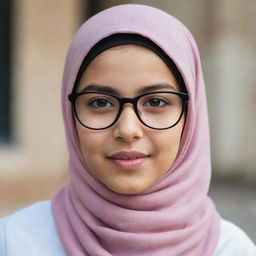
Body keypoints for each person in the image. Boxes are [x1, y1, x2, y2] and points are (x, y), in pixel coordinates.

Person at [0, 4, 255, 256]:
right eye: (101, 102)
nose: (128, 130)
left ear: (190, 116)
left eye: (156, 101)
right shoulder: (15, 243)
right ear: (70, 115)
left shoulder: (232, 249)